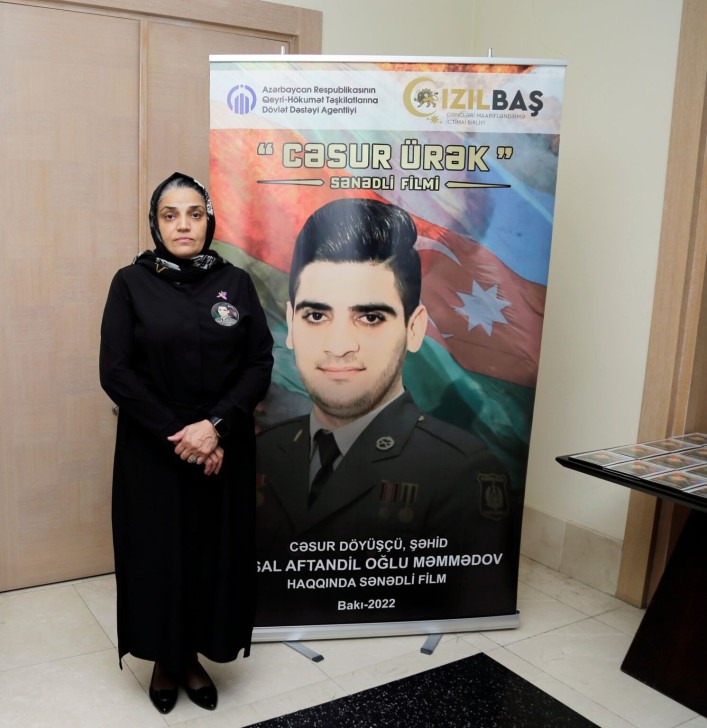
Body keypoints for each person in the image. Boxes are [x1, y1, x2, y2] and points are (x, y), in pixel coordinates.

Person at [255, 198, 514, 626]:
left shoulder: (461, 472)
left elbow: (465, 607)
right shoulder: (266, 452)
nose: (339, 346)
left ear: (414, 329)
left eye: (371, 317)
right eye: (316, 315)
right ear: (291, 326)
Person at [99, 172, 273, 714]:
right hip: (154, 450)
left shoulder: (235, 283)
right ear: (155, 223)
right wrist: (184, 435)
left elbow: (258, 363)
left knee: (212, 555)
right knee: (158, 556)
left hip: (224, 449)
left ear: (209, 221)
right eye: (170, 215)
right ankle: (164, 659)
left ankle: (195, 657)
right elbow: (116, 370)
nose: (183, 225)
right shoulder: (130, 283)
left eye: (194, 214)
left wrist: (215, 426)